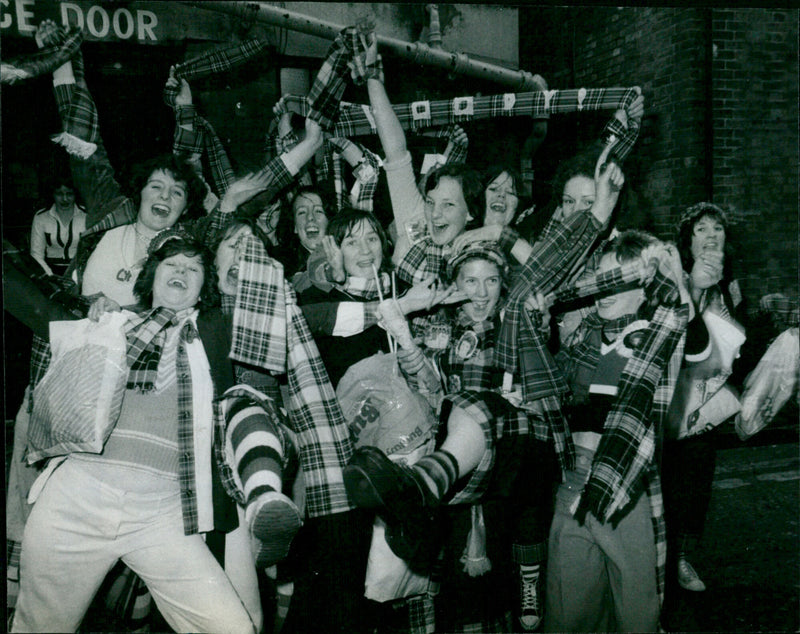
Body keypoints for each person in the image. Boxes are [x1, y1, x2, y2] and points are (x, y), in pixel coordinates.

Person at [11, 233, 256, 634]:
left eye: (193, 268)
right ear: (151, 276)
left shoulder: (215, 332)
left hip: (162, 515)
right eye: (171, 263)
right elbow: (31, 297)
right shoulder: (112, 324)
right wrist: (97, 315)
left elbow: (282, 318)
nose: (181, 271)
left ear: (204, 288)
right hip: (78, 499)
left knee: (232, 628)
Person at [544, 230, 701, 632]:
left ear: (644, 286)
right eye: (601, 278)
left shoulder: (655, 336)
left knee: (635, 609)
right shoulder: (583, 336)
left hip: (624, 487)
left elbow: (695, 343)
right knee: (569, 608)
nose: (605, 289)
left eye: (618, 278)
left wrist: (678, 283)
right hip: (572, 485)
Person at [661, 202, 746, 597]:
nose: (711, 235)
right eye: (701, 229)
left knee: (695, 484)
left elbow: (738, 339)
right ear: (688, 239)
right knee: (666, 480)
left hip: (707, 402)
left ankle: (680, 557)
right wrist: (693, 287)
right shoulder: (674, 274)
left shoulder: (730, 283)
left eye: (717, 229)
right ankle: (658, 560)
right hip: (673, 396)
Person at [29, 175, 87, 276]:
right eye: (59, 194)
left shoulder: (87, 215)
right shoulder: (41, 217)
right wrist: (50, 277)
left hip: (82, 272)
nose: (65, 199)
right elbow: (36, 254)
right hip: (49, 273)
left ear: (76, 194)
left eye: (69, 194)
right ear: (52, 194)